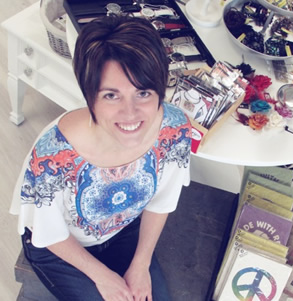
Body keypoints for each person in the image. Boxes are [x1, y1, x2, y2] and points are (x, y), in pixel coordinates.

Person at [10, 14, 192, 301]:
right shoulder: (52, 157)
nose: (130, 114)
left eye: (143, 92)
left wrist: (141, 263)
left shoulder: (174, 130)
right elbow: (48, 232)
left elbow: (161, 202)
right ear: (89, 95)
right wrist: (103, 277)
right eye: (111, 96)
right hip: (60, 248)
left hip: (124, 231)